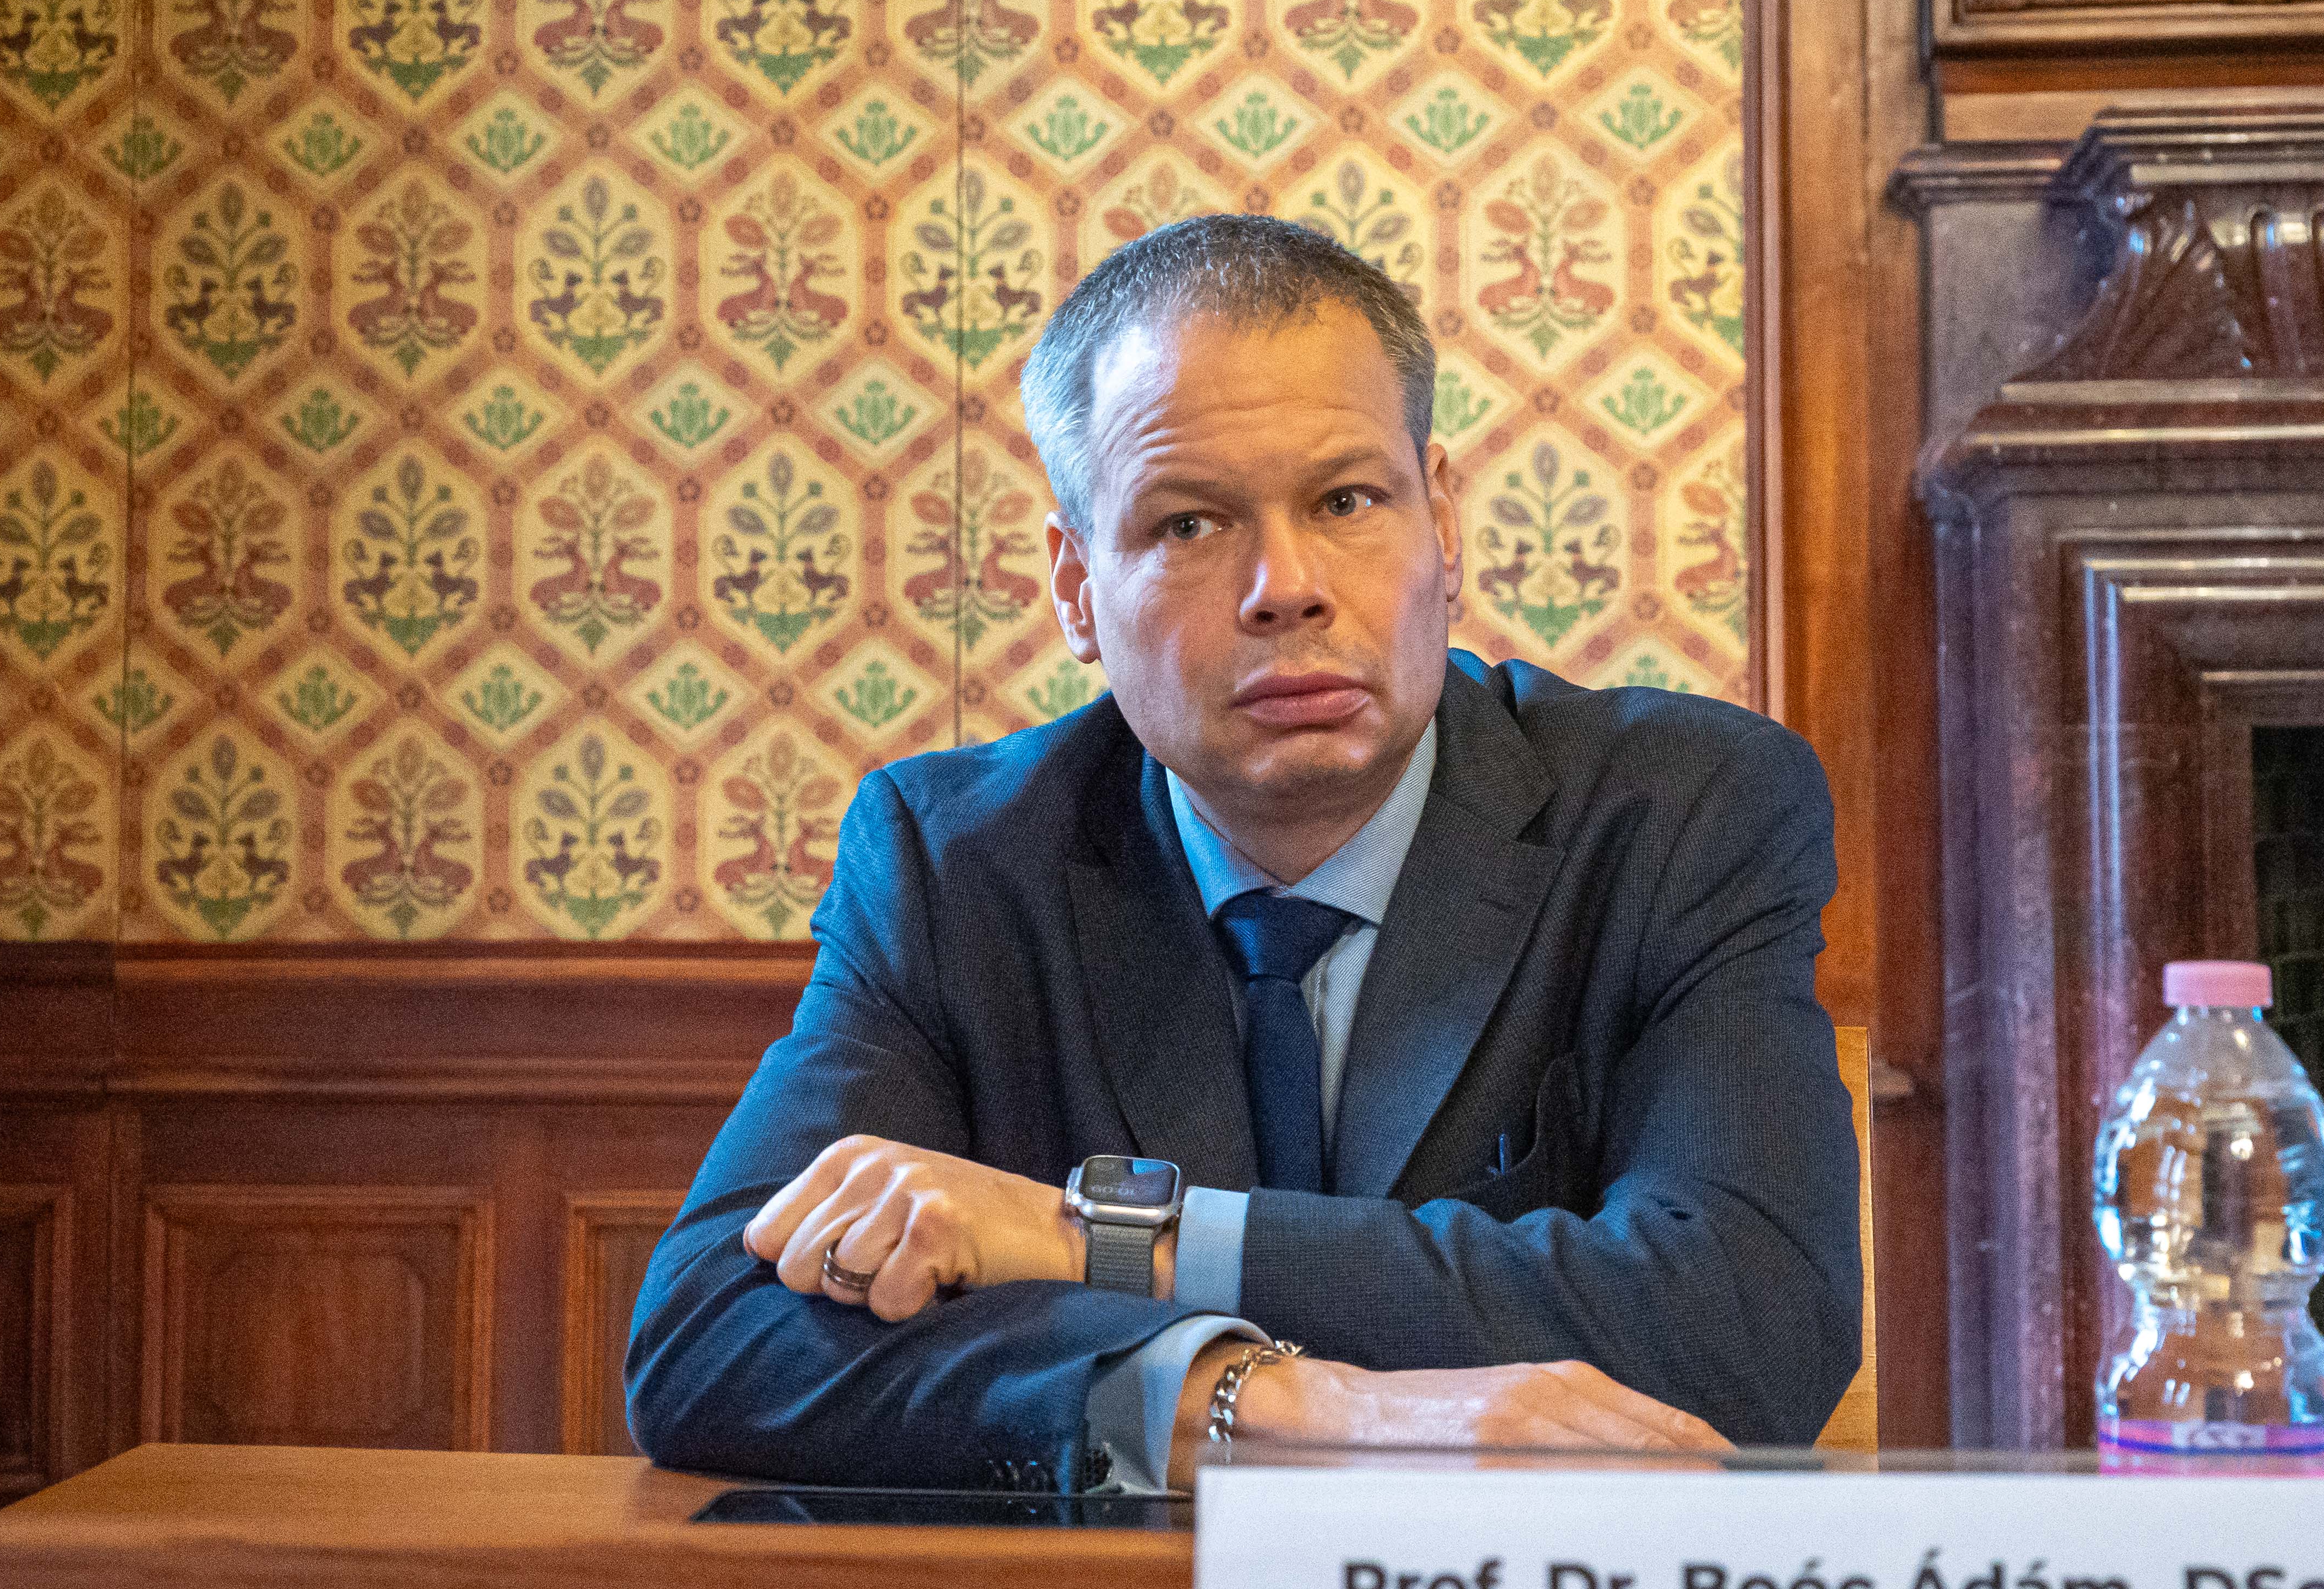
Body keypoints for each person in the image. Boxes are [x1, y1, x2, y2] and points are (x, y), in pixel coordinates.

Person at [627, 215, 1860, 1491]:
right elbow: (715, 1336)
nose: (1284, 585)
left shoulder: (1681, 812)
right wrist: (1278, 1402)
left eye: (1346, 500)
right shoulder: (953, 865)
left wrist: (1093, 1238)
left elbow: (1745, 1327)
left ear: (1441, 522)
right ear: (1073, 587)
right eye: (1187, 524)